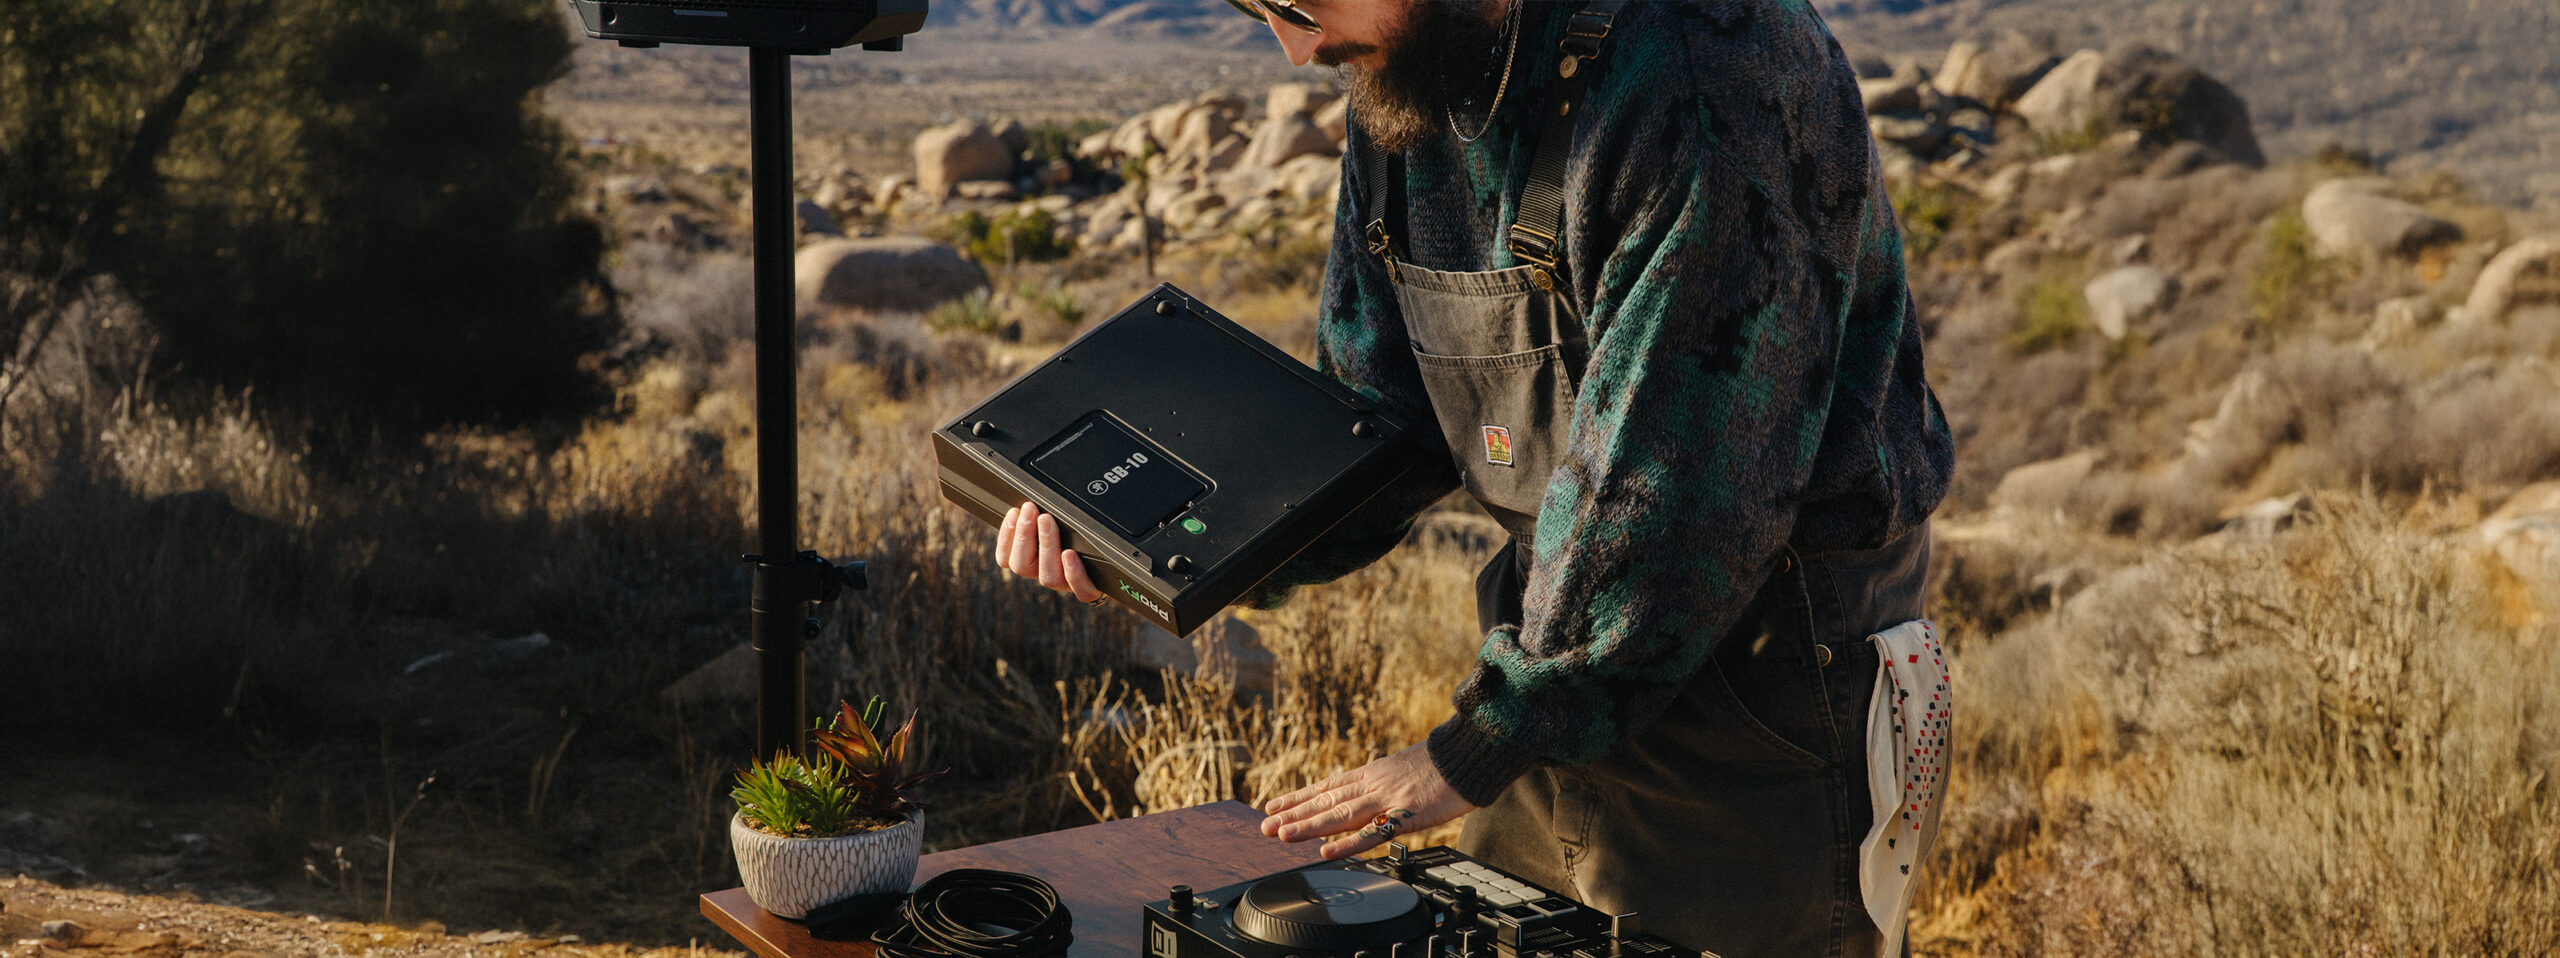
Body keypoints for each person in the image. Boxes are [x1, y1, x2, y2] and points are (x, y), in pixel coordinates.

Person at [995, 1, 1955, 954]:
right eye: (1257, 9)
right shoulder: (1409, 75)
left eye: (1298, 1)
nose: (1295, 47)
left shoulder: (1711, 68)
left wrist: (1477, 747)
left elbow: (1681, 493)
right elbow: (1382, 421)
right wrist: (1163, 552)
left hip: (1763, 694)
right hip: (1550, 651)